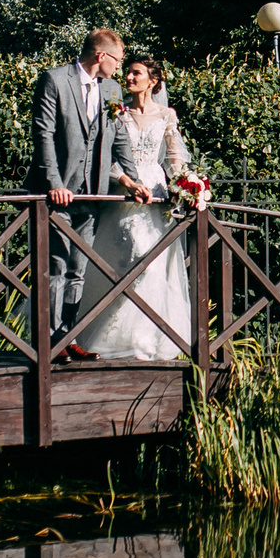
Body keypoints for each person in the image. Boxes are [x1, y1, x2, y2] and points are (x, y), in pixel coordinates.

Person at [70, 56, 195, 360]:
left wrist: (185, 186)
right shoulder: (118, 112)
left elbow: (175, 157)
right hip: (122, 191)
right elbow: (103, 154)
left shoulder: (166, 114)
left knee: (153, 261)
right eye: (127, 72)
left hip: (154, 192)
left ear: (152, 81)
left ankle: (145, 338)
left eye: (135, 73)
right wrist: (125, 180)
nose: (128, 77)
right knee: (124, 258)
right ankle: (104, 335)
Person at [23, 28, 124, 360]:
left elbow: (118, 138)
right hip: (58, 194)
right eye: (118, 61)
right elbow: (43, 134)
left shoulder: (111, 89)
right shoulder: (54, 80)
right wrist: (54, 183)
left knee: (78, 269)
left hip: (93, 195)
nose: (119, 68)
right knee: (56, 266)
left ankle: (69, 336)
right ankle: (50, 342)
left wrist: (135, 181)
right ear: (101, 56)